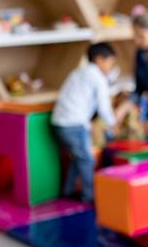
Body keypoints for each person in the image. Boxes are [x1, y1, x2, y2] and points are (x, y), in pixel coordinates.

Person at [51, 42, 119, 203]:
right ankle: (90, 196)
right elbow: (104, 106)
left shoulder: (78, 72)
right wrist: (113, 124)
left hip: (60, 123)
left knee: (79, 157)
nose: (110, 67)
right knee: (87, 160)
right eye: (110, 62)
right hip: (73, 124)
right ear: (99, 59)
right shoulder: (97, 77)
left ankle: (68, 190)